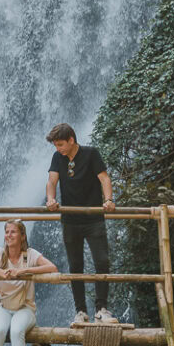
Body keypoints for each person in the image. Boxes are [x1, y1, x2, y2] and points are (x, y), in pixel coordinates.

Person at [45, 122, 117, 327]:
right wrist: (50, 199)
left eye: (60, 145)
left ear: (71, 140)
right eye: (56, 146)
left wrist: (109, 200)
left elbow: (104, 178)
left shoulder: (91, 154)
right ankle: (80, 311)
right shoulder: (57, 158)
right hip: (71, 220)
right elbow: (51, 181)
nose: (58, 149)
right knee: (75, 266)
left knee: (102, 261)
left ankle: (101, 309)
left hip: (93, 219)